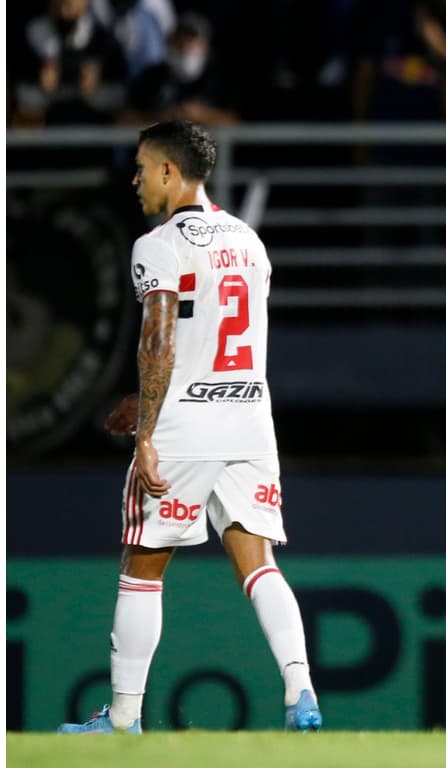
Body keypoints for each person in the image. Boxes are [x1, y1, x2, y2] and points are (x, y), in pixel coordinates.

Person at [57, 120, 322, 734]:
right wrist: (141, 398)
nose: (136, 179)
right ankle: (300, 691)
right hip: (251, 419)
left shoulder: (159, 244)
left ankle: (123, 719)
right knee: (258, 564)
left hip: (183, 427)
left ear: (170, 173)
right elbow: (221, 341)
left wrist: (146, 431)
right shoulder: (251, 242)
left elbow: (162, 339)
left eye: (143, 168)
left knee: (142, 566)